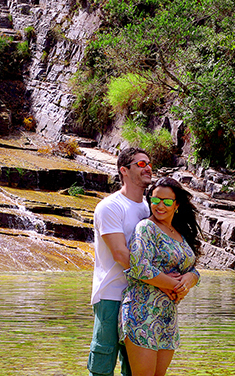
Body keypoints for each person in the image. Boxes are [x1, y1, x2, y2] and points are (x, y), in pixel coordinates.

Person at [119, 176, 201, 376]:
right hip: (142, 312)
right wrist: (175, 285)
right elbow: (140, 267)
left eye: (166, 201)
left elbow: (193, 269)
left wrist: (191, 279)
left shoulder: (180, 234)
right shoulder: (146, 228)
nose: (160, 206)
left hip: (167, 315)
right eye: (155, 200)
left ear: (177, 205)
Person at [89, 147, 154, 376]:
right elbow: (120, 254)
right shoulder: (110, 207)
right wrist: (161, 282)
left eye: (149, 163)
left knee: (135, 367)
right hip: (112, 295)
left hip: (142, 296)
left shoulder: (151, 208)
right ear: (124, 171)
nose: (148, 167)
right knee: (102, 366)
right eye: (141, 164)